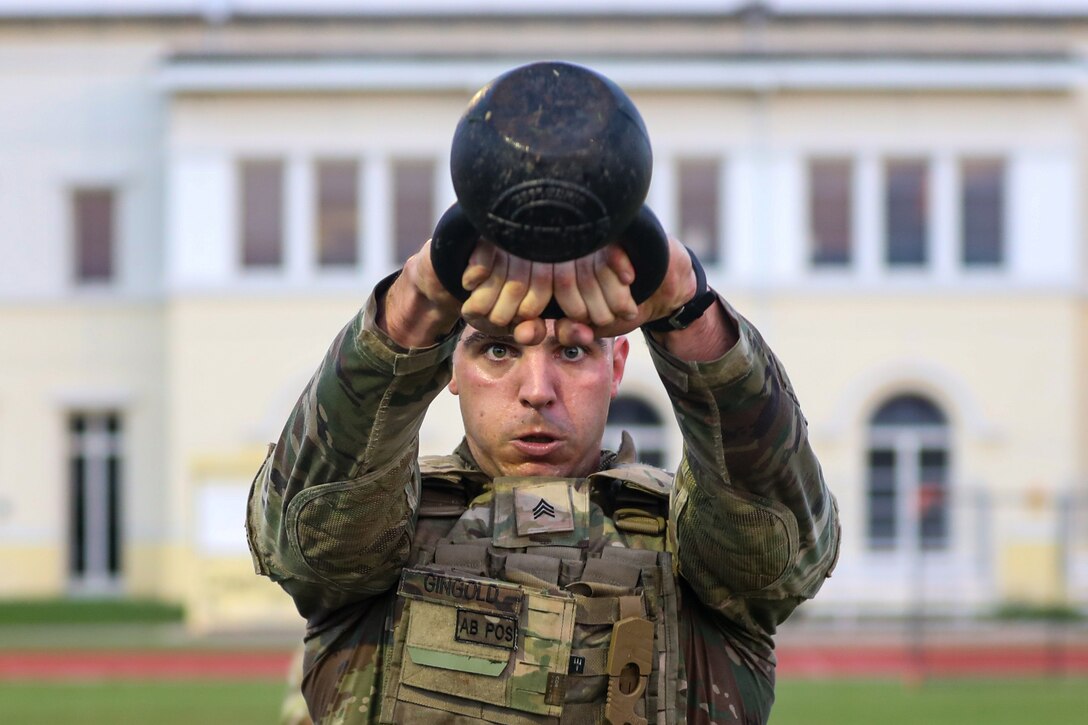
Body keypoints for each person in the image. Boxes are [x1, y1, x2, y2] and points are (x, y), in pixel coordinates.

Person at [248, 216, 840, 723]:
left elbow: (783, 553)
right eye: (498, 349)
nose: (537, 390)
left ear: (617, 367)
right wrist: (414, 307)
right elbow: (305, 533)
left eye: (574, 352)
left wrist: (689, 309)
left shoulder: (693, 540)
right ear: (451, 367)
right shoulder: (380, 528)